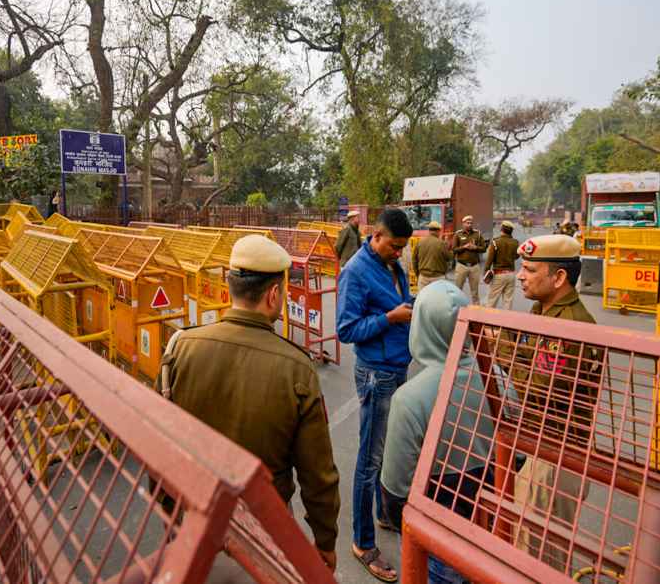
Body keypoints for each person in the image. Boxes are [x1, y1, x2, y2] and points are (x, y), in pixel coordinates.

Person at [157, 235, 341, 573]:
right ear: (274, 295)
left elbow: (160, 444)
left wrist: (170, 512)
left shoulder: (180, 348)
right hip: (264, 527)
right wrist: (325, 541)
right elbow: (319, 476)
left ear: (230, 288)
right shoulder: (296, 366)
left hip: (195, 519)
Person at [380, 280, 495, 584]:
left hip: (434, 530)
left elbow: (394, 491)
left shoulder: (410, 398)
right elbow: (517, 457)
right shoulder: (497, 378)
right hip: (489, 527)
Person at [509, 234, 599, 569]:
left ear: (559, 277)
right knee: (526, 543)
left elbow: (537, 385)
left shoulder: (571, 326)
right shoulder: (543, 310)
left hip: (557, 454)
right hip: (541, 444)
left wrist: (503, 345)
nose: (521, 275)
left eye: (530, 269)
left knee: (538, 558)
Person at [337, 208, 414, 583]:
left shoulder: (391, 265)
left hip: (398, 366)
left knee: (391, 453)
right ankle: (363, 541)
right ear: (376, 236)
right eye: (395, 247)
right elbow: (346, 329)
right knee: (369, 460)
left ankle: (385, 513)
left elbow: (400, 300)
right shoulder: (355, 272)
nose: (399, 253)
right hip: (376, 374)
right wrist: (390, 319)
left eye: (402, 248)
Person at [483, 220, 520, 310]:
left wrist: (486, 272)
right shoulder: (515, 242)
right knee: (508, 301)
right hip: (511, 275)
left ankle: (487, 321)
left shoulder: (496, 242)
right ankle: (505, 322)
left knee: (492, 301)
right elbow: (517, 256)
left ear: (501, 229)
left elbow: (489, 260)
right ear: (511, 231)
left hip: (499, 274)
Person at [451, 215, 486, 304]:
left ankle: (476, 310)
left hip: (474, 266)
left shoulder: (477, 234)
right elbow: (454, 249)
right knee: (458, 289)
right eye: (467, 223)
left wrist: (475, 247)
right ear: (463, 224)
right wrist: (464, 247)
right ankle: (456, 308)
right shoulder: (458, 234)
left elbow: (484, 248)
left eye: (471, 223)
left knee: (475, 292)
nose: (469, 225)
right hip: (461, 265)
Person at [412, 220, 452, 291]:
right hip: (438, 278)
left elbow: (414, 260)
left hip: (423, 277)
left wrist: (418, 274)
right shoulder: (441, 243)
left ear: (429, 230)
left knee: (423, 300)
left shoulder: (420, 242)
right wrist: (448, 247)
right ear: (438, 231)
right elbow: (449, 258)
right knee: (437, 300)